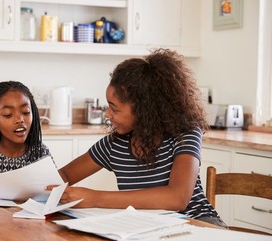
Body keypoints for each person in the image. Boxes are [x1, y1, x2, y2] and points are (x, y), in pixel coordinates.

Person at [51, 48, 227, 227]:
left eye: (115, 108)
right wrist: (35, 187)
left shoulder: (185, 134)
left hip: (200, 223)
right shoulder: (114, 145)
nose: (107, 114)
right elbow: (64, 175)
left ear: (144, 110)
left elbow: (177, 198)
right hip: (150, 228)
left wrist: (95, 198)